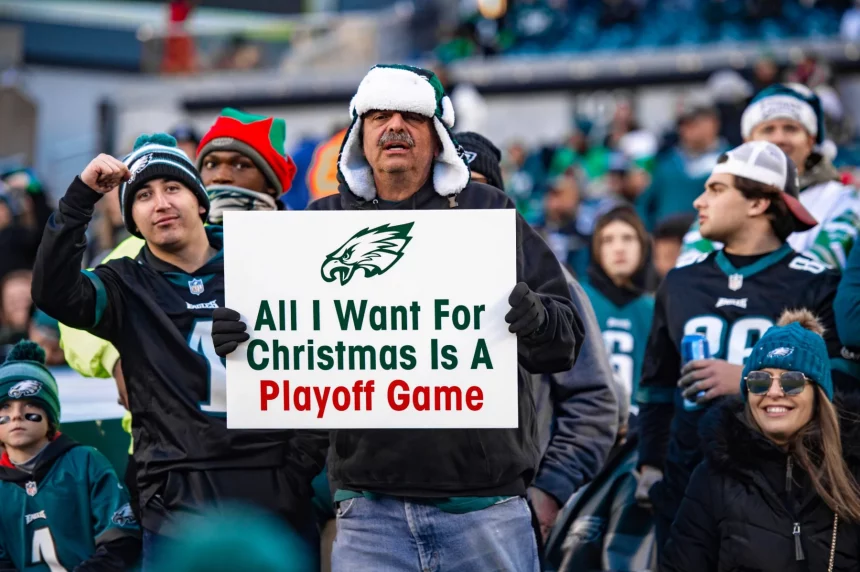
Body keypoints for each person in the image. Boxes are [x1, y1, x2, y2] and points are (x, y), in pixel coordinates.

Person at [212, 64, 584, 572]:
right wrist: (241, 341)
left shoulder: (488, 213)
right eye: (379, 116)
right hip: (369, 513)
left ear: (438, 136)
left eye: (411, 116)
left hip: (483, 508)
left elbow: (565, 342)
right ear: (358, 137)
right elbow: (286, 356)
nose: (394, 127)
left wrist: (537, 318)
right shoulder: (319, 224)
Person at [30, 134, 326, 568]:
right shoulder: (123, 284)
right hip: (176, 505)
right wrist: (81, 199)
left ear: (200, 201)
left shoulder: (264, 262)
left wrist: (296, 470)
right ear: (131, 218)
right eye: (144, 195)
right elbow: (53, 292)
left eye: (173, 188)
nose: (161, 203)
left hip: (274, 490)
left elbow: (323, 365)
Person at [635, 140, 847, 553]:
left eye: (716, 189)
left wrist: (747, 379)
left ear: (758, 203)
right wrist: (650, 464)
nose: (699, 200)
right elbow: (657, 386)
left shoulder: (816, 283)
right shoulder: (679, 282)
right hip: (684, 481)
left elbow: (839, 393)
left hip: (779, 492)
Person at [458, 129, 619, 546]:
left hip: (507, 513)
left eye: (480, 191)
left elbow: (595, 399)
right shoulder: (397, 282)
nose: (465, 205)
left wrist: (549, 490)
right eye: (454, 190)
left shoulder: (547, 279)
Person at [662, 309, 860, 571]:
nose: (774, 392)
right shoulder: (713, 477)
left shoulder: (853, 472)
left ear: (819, 394)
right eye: (759, 380)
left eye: (792, 381)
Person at [679, 83, 860, 270]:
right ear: (747, 141)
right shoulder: (723, 199)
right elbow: (689, 268)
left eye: (791, 128)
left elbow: (822, 272)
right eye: (768, 129)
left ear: (810, 140)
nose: (779, 139)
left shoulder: (843, 200)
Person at [0, 340, 141, 571]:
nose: (16, 415)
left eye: (30, 404)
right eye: (4, 406)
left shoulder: (85, 463)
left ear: (50, 417)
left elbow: (121, 538)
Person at [581, 205, 654, 416]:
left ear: (643, 246)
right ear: (596, 249)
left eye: (628, 238)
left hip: (639, 433)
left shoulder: (655, 309)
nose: (619, 248)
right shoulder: (575, 299)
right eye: (608, 240)